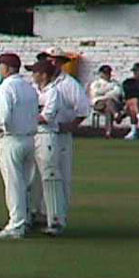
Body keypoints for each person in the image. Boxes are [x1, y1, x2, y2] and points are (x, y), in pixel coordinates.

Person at [38, 47, 90, 222]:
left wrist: (69, 127)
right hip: (41, 135)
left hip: (60, 134)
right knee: (40, 176)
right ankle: (43, 213)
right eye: (48, 59)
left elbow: (83, 110)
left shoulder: (69, 84)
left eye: (54, 60)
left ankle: (59, 216)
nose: (51, 63)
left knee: (60, 176)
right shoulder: (39, 84)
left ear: (60, 62)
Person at [0, 53, 39, 240]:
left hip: (11, 139)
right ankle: (25, 219)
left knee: (14, 185)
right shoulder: (29, 87)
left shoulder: (6, 88)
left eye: (1, 66)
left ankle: (16, 224)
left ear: (8, 68)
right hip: (29, 139)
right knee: (25, 183)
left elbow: (2, 117)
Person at [25, 60, 67, 236]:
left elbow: (46, 117)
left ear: (43, 75)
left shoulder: (53, 92)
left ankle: (56, 220)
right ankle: (30, 216)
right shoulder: (32, 90)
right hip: (31, 135)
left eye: (35, 72)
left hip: (46, 136)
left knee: (50, 177)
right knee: (29, 178)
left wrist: (23, 118)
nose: (32, 75)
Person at [89, 65, 123, 138]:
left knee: (108, 109)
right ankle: (117, 115)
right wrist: (109, 92)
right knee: (109, 101)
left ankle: (108, 133)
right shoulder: (96, 83)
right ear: (101, 73)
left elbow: (118, 92)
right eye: (105, 73)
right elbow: (95, 93)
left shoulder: (114, 83)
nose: (107, 75)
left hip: (112, 104)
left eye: (108, 73)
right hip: (98, 103)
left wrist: (104, 93)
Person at [121, 62, 139, 140]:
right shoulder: (129, 82)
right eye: (134, 71)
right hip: (135, 104)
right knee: (133, 102)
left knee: (133, 104)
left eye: (137, 71)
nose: (135, 73)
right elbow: (128, 95)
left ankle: (134, 130)